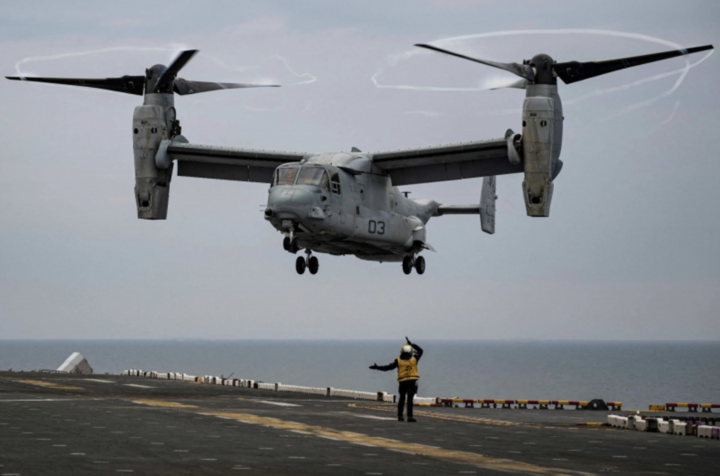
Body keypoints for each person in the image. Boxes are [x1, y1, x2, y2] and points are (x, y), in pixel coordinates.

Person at [369, 337, 424, 422]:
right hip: (412, 381)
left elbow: (388, 367)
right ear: (410, 351)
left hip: (402, 382)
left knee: (402, 398)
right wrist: (411, 344)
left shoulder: (398, 361)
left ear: (401, 351)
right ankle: (410, 417)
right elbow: (420, 351)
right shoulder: (414, 359)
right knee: (410, 399)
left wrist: (377, 367)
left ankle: (400, 416)